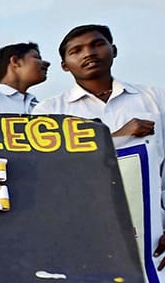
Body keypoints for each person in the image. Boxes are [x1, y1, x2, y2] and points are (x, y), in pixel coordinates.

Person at [34, 24, 165, 267]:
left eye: (97, 44)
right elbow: (51, 170)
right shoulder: (50, 112)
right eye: (76, 50)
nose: (89, 53)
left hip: (155, 231)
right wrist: (115, 136)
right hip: (87, 233)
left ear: (113, 50)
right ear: (64, 65)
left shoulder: (154, 99)